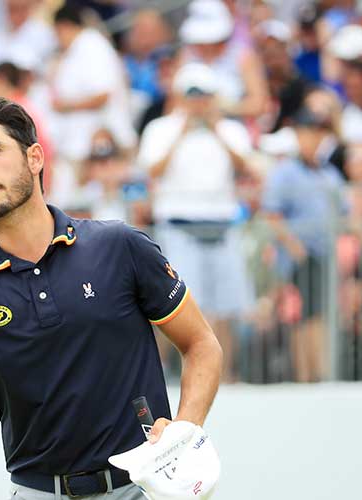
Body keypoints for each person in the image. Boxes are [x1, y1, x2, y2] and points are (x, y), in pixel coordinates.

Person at [0, 96, 223, 499]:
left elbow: (202, 344)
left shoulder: (119, 246)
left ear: (34, 157)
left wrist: (184, 431)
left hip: (141, 489)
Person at [138, 63, 258, 381]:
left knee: (225, 308)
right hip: (179, 225)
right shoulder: (162, 129)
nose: (199, 101)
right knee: (172, 302)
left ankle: (224, 375)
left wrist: (215, 128)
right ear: (180, 96)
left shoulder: (230, 129)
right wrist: (183, 131)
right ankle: (162, 376)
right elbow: (152, 171)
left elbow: (246, 166)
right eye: (193, 95)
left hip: (222, 223)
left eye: (204, 95)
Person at [261, 108, 349, 383]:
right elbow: (272, 216)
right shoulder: (284, 173)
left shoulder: (329, 174)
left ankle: (320, 375)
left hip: (324, 257)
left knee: (320, 316)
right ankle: (306, 377)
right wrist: (294, 246)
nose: (311, 139)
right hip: (297, 259)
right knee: (302, 318)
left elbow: (344, 212)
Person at [49, 5, 135, 205]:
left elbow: (103, 94)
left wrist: (65, 106)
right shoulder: (77, 50)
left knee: (107, 206)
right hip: (80, 148)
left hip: (103, 147)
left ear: (64, 26)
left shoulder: (92, 45)